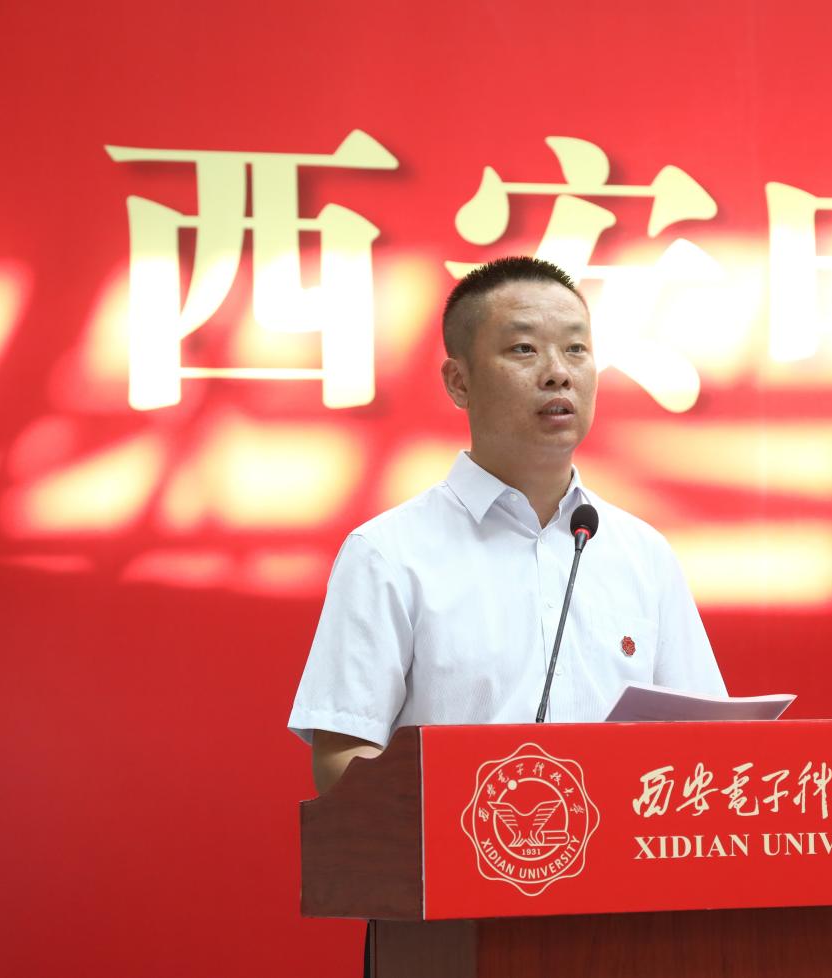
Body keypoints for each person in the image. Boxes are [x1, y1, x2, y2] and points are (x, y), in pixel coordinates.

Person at [288, 256, 727, 794]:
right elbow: (344, 754)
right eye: (523, 349)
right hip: (464, 844)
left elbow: (709, 741)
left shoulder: (643, 553)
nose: (558, 372)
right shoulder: (387, 553)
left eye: (576, 348)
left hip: (620, 847)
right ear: (459, 382)